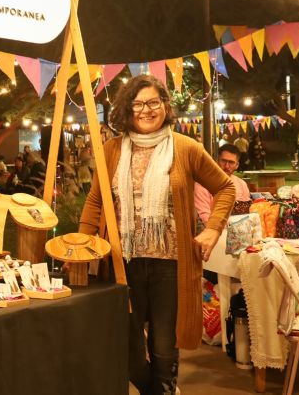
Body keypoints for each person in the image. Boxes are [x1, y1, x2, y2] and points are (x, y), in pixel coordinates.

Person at [78, 75, 235, 395]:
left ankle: (164, 387)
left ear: (165, 106)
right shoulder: (111, 150)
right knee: (126, 346)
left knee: (164, 344)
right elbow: (96, 201)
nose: (146, 110)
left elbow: (225, 187)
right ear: (126, 108)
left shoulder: (186, 148)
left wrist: (213, 229)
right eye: (138, 104)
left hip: (171, 265)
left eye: (153, 102)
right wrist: (81, 247)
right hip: (123, 262)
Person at [195, 144, 250, 226]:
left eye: (231, 162)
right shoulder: (203, 184)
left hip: (239, 233)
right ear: (216, 160)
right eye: (223, 161)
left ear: (237, 165)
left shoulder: (242, 184)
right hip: (212, 233)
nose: (227, 166)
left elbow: (246, 214)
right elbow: (204, 217)